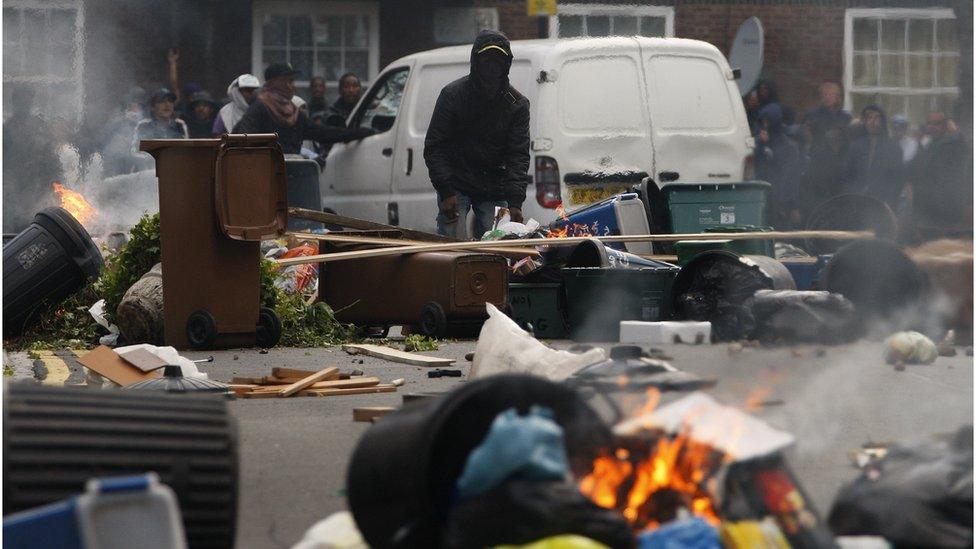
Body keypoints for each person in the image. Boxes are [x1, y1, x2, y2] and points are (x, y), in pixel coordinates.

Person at [424, 30, 530, 239]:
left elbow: (518, 155)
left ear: (506, 64)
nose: (492, 66)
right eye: (487, 58)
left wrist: (515, 201)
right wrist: (446, 191)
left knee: (496, 248)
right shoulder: (453, 96)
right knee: (450, 247)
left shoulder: (517, 104)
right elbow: (435, 146)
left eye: (498, 59)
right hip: (456, 183)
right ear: (476, 60)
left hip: (494, 186)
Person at [233, 63, 374, 155]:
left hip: (292, 177)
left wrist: (356, 134)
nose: (293, 86)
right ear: (276, 84)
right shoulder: (259, 108)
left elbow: (322, 133)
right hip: (265, 178)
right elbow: (244, 140)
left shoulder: (294, 113)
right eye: (289, 82)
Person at [2, 85, 59, 232]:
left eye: (28, 100)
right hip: (14, 186)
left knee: (34, 221)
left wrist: (53, 178)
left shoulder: (39, 126)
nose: (25, 104)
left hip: (36, 185)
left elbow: (50, 154)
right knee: (14, 225)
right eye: (22, 101)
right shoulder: (7, 129)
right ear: (15, 102)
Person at [908, 112, 972, 239]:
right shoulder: (928, 145)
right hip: (926, 210)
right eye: (929, 123)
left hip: (945, 211)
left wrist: (955, 132)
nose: (932, 126)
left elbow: (961, 146)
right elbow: (913, 170)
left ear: (946, 126)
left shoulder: (952, 145)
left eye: (937, 123)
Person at [801, 81, 852, 213]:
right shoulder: (812, 115)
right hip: (818, 165)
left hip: (838, 168)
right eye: (824, 94)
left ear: (838, 97)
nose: (827, 97)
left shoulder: (845, 118)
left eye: (830, 94)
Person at [842, 105, 904, 210]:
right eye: (869, 118)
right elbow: (848, 175)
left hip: (882, 203)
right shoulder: (856, 146)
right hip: (857, 202)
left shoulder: (894, 148)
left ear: (883, 121)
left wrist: (889, 202)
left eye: (876, 118)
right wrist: (852, 194)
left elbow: (896, 179)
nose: (872, 122)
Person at [754, 103, 801, 228]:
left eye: (768, 122)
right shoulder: (759, 143)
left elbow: (792, 176)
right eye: (763, 122)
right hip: (761, 195)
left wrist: (793, 205)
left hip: (781, 198)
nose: (765, 126)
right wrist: (761, 145)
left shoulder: (788, 146)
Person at [132, 88, 188, 169]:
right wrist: (155, 160)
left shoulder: (180, 125)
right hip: (148, 171)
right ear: (153, 107)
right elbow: (134, 153)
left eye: (170, 101)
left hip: (175, 169)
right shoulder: (143, 125)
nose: (167, 104)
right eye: (161, 101)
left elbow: (186, 151)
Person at [100, 86, 147, 176]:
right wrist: (123, 119)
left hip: (136, 159)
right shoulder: (118, 116)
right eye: (133, 103)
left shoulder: (145, 118)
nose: (135, 106)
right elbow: (105, 134)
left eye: (139, 104)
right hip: (116, 159)